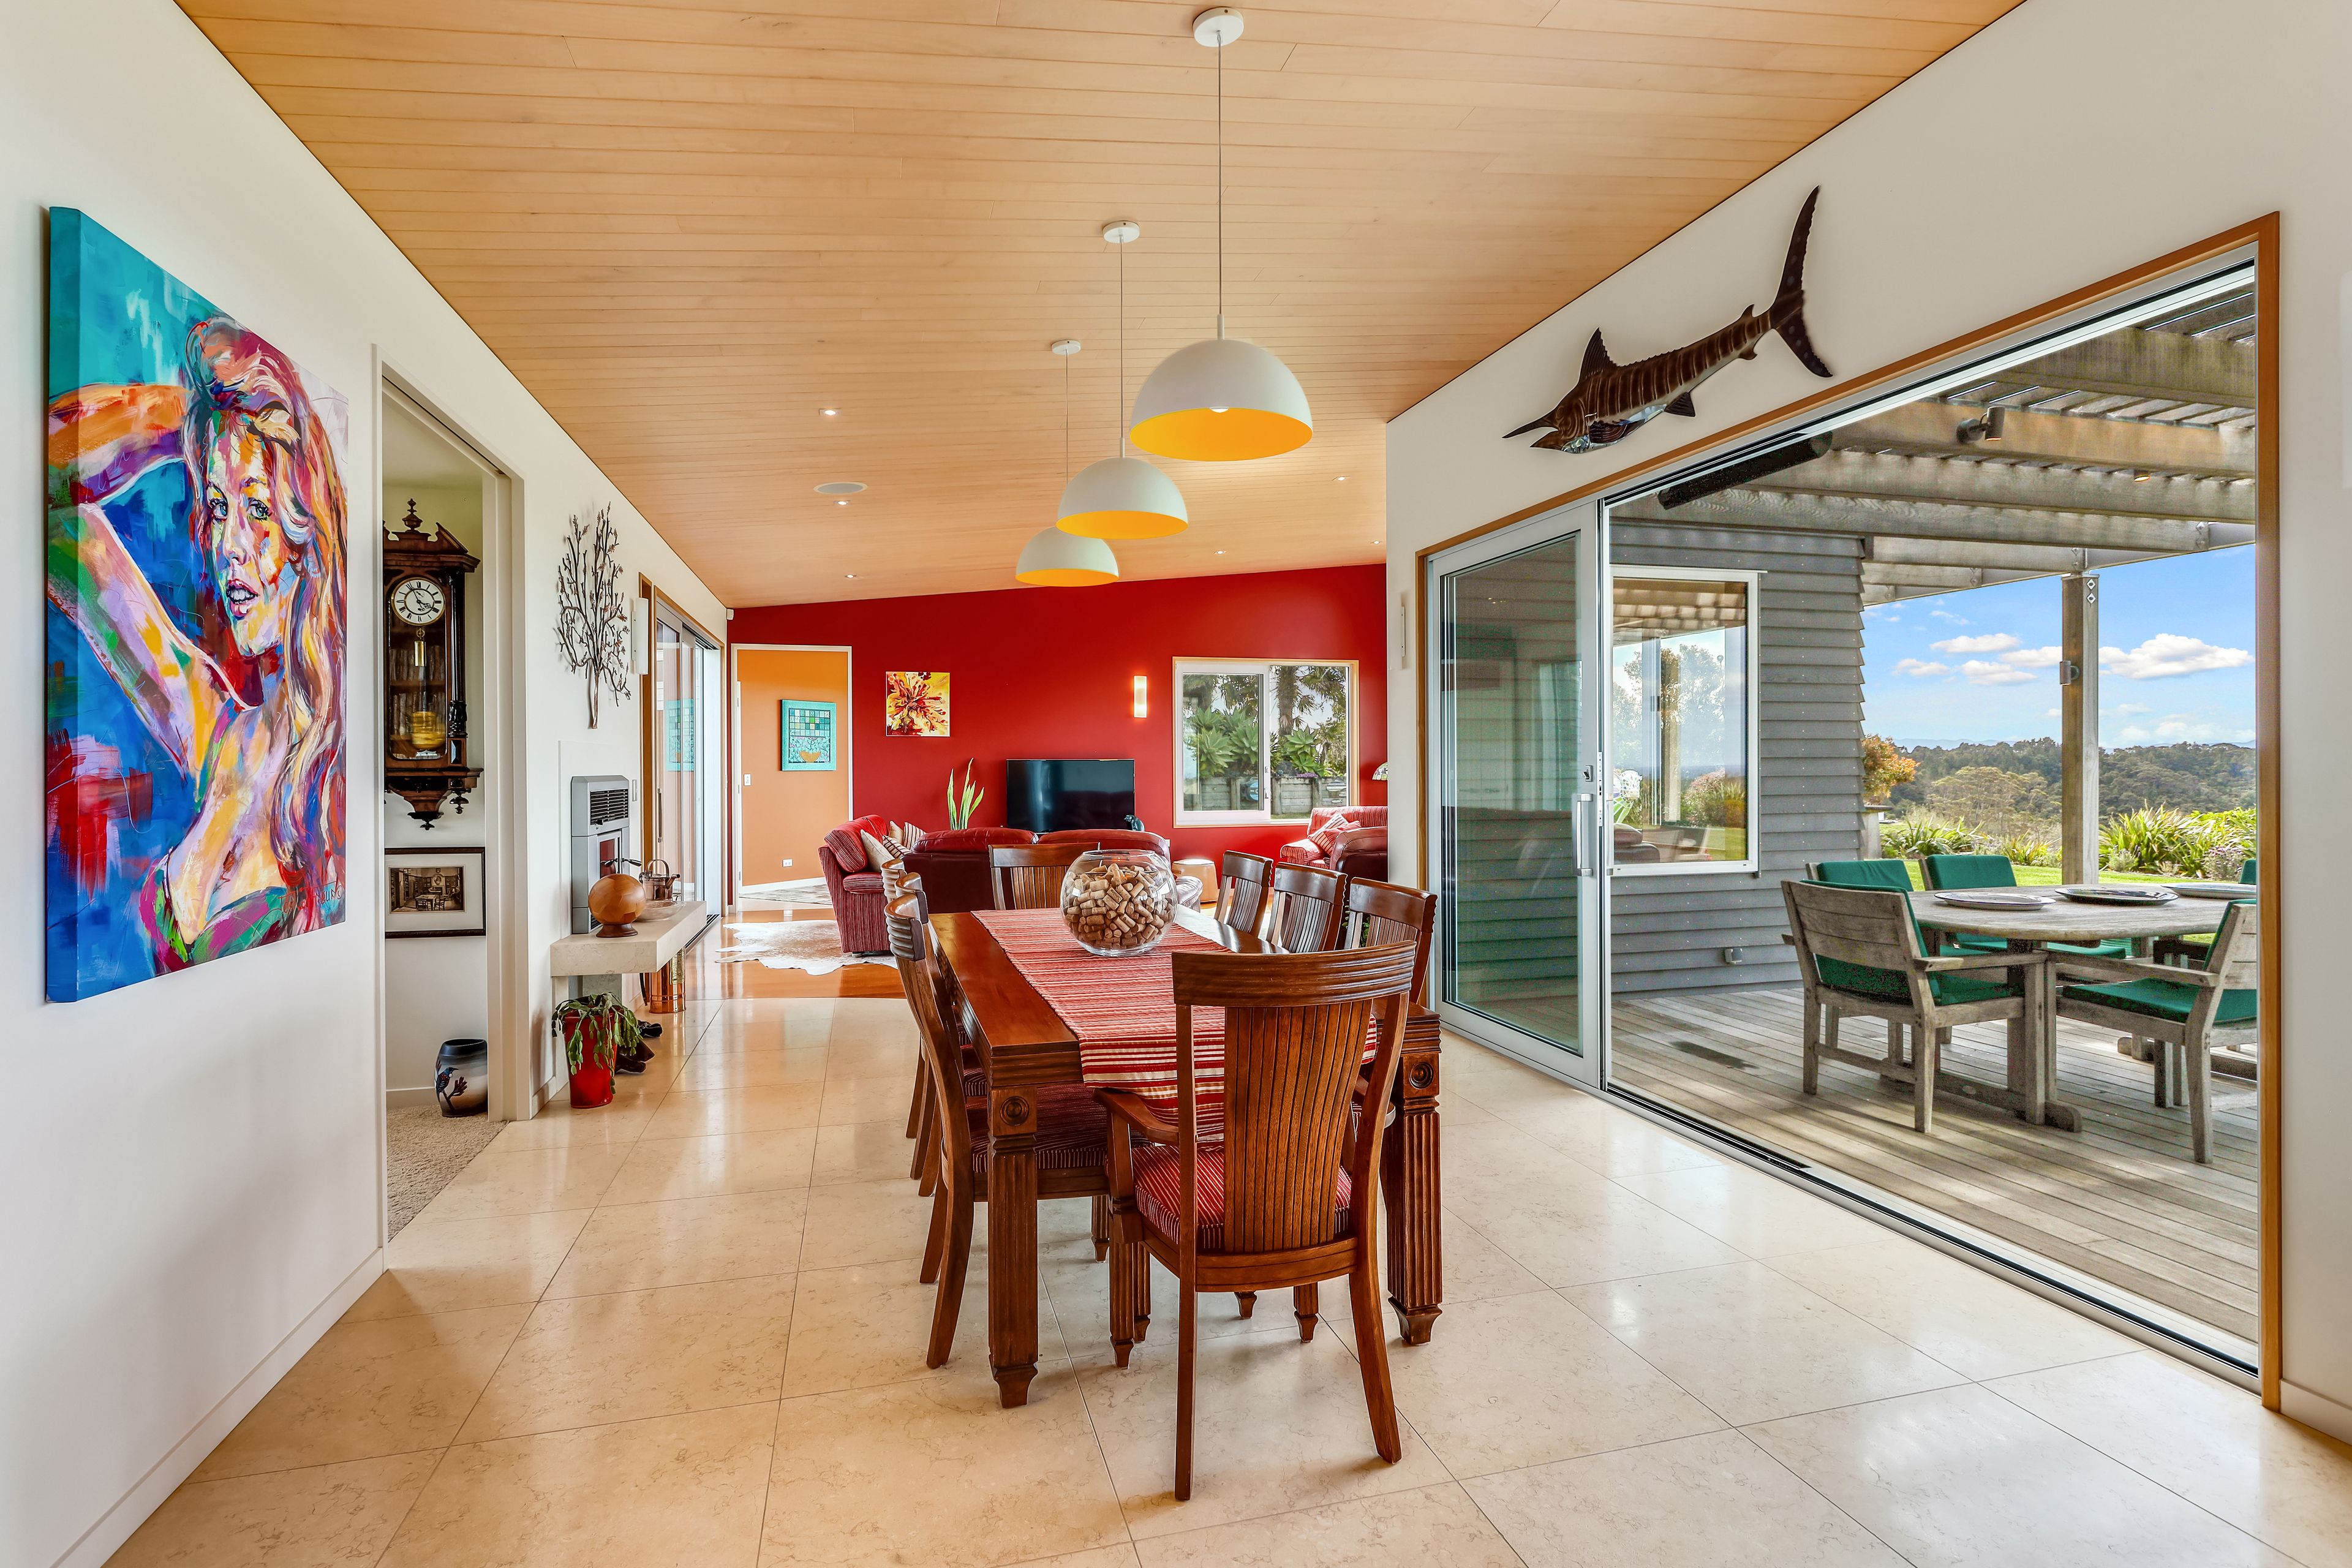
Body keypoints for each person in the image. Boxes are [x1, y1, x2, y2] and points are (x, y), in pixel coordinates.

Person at [47, 315, 347, 970]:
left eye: (259, 509)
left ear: (308, 538)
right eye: (218, 506)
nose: (231, 545)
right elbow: (46, 496)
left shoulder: (338, 771)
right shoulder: (213, 728)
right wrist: (192, 420)